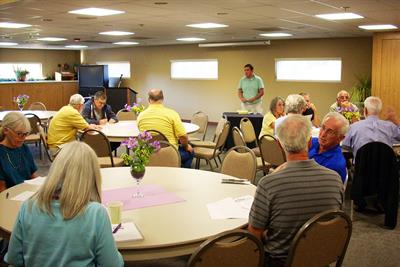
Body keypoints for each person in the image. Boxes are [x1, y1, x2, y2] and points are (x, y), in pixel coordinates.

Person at [4, 141, 124, 267]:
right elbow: (112, 264)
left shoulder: (28, 206)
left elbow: (14, 259)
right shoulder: (96, 213)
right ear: (92, 176)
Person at [248, 115, 343, 266]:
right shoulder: (335, 179)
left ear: (279, 144)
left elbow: (254, 235)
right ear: (310, 141)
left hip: (281, 261)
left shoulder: (268, 184)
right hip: (320, 258)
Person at [137, 89, 194, 168]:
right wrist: (186, 146)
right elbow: (183, 136)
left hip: (148, 154)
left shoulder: (141, 116)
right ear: (162, 99)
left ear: (149, 100)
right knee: (190, 152)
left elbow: (141, 136)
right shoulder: (172, 114)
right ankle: (180, 173)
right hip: (169, 153)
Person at [0, 112, 38, 192]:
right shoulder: (1, 153)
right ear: (6, 130)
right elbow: (2, 190)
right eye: (19, 134)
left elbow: (32, 175)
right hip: (9, 197)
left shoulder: (24, 148)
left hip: (27, 193)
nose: (24, 138)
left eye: (26, 134)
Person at [309, 112, 349, 183]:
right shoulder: (313, 142)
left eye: (330, 132)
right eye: (323, 127)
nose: (323, 134)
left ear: (340, 138)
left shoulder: (335, 164)